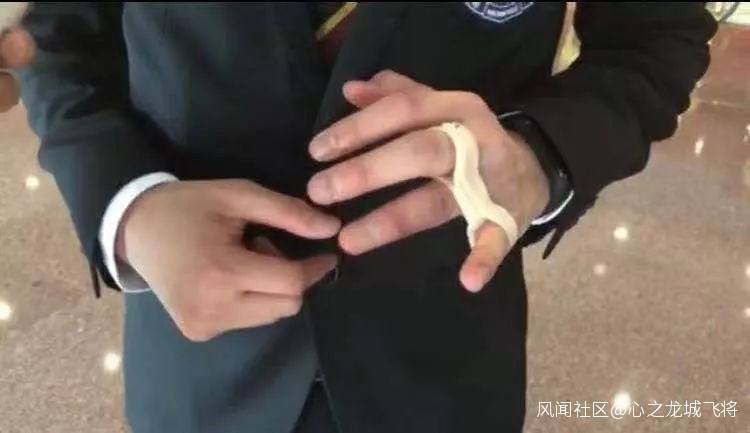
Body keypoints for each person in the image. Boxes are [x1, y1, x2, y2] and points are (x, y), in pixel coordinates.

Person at [18, 3, 716, 433]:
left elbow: (657, 37)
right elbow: (57, 35)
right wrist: (128, 207)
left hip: (444, 360)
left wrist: (540, 156)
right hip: (196, 373)